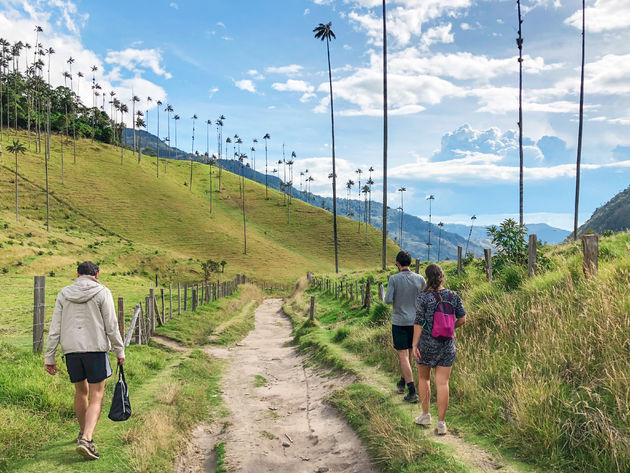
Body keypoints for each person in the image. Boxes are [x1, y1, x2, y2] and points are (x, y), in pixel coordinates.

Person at [44, 261, 125, 460]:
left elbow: (55, 327)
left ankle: (83, 435)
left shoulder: (64, 293)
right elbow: (111, 325)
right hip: (95, 349)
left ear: (77, 274)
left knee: (81, 392)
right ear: (97, 275)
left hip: (71, 351)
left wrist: (50, 356)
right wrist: (119, 350)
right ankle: (87, 438)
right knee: (97, 395)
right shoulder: (102, 292)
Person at [412, 263, 466, 435]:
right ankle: (441, 424)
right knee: (443, 383)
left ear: (427, 278)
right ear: (442, 276)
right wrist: (450, 327)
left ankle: (426, 415)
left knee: (424, 378)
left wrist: (414, 344)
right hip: (447, 345)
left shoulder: (423, 297)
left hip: (426, 344)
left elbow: (419, 322)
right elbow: (463, 318)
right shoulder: (453, 295)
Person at [384, 250, 426, 403]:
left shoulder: (394, 279)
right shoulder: (420, 278)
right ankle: (402, 382)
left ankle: (412, 391)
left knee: (403, 355)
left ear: (398, 264)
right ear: (410, 262)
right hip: (416, 322)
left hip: (400, 321)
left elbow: (388, 300)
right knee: (409, 353)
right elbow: (425, 298)